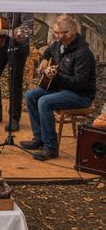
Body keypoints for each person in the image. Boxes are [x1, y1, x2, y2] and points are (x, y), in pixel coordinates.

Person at [22, 14, 97, 161]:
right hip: (61, 88)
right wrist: (44, 60)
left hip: (80, 95)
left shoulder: (83, 54)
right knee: (31, 95)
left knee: (44, 102)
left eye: (58, 33)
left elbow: (80, 84)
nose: (54, 35)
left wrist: (56, 75)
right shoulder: (59, 44)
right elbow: (50, 51)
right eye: (54, 31)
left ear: (69, 33)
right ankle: (40, 139)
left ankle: (50, 148)